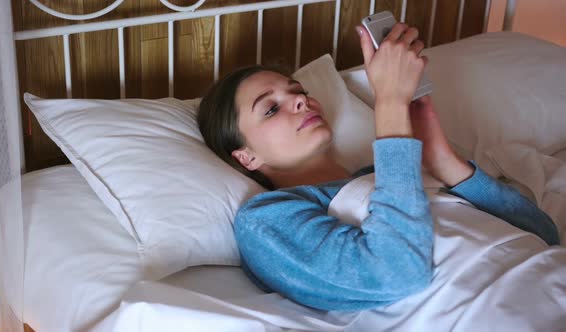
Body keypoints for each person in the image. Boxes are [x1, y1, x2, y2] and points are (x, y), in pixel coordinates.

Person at [197, 23, 560, 311]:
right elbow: (396, 275)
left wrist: (445, 164)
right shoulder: (264, 219)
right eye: (271, 108)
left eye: (297, 90)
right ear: (246, 157)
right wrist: (388, 105)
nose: (299, 101)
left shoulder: (389, 170)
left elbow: (541, 233)